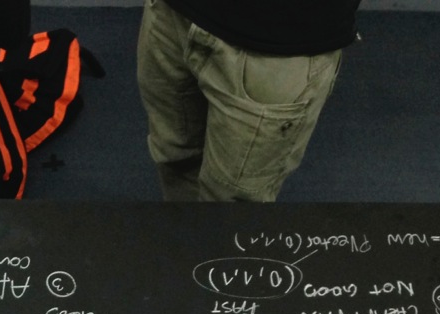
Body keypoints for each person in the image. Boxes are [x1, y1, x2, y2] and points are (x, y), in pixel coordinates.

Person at [136, 0, 360, 201]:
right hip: (172, 12)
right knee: (174, 157)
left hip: (275, 39)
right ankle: (187, 241)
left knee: (231, 202)